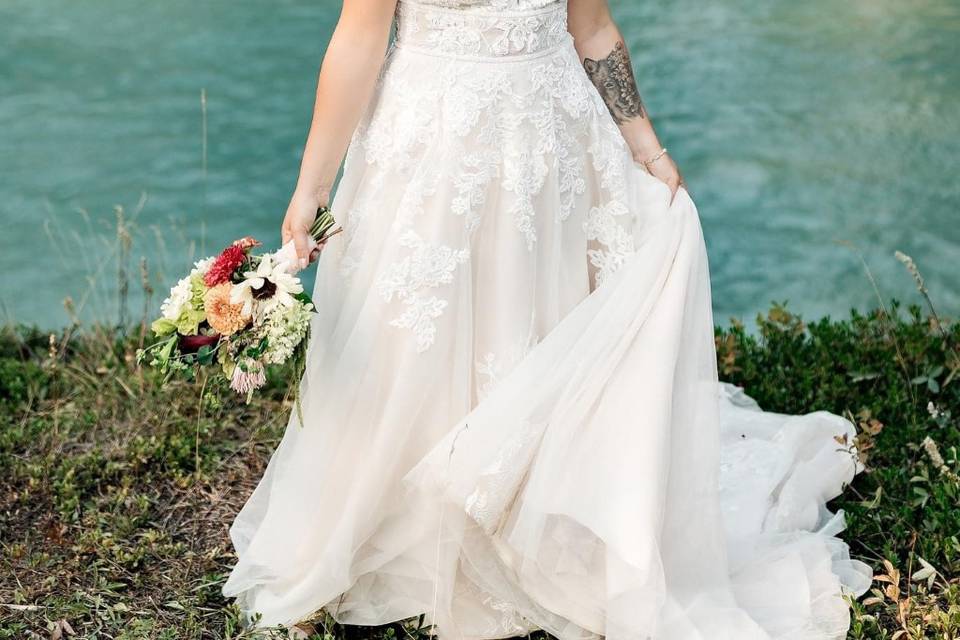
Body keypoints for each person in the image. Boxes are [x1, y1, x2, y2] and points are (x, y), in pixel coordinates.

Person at [223, 1, 872, 638]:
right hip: (434, 145)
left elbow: (590, 26)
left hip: (552, 146)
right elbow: (359, 37)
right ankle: (406, 518)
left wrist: (648, 149)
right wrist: (311, 186)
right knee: (414, 341)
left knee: (539, 324)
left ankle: (532, 515)